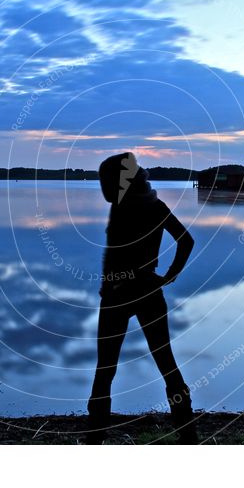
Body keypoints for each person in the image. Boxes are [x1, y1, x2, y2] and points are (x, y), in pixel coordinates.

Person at [87, 152, 197, 444]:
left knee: (105, 371)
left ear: (117, 181)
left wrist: (107, 287)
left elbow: (112, 255)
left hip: (117, 297)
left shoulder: (121, 208)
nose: (102, 187)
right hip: (150, 290)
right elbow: (186, 240)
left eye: (104, 180)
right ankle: (188, 435)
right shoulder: (154, 205)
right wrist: (169, 275)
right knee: (167, 364)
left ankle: (94, 439)